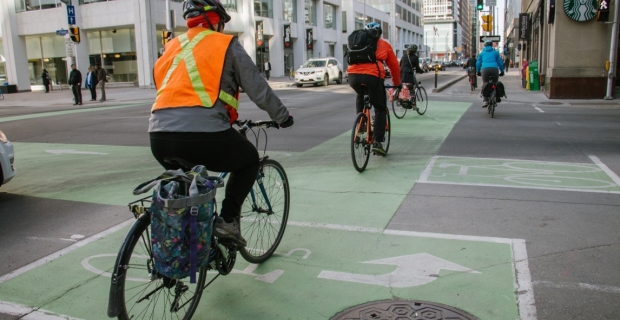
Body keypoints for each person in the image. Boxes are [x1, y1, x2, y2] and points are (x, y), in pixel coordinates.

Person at [149, 0, 293, 247]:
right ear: (215, 21)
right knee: (248, 160)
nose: (223, 29)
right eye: (222, 24)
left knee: (188, 184)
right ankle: (227, 221)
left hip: (158, 136)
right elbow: (257, 86)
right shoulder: (225, 44)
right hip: (205, 134)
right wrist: (282, 117)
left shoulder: (171, 46)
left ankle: (182, 244)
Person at [347, 22, 401, 156]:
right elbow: (394, 67)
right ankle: (378, 142)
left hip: (353, 76)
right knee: (380, 108)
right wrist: (397, 83)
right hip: (373, 77)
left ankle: (361, 123)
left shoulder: (357, 41)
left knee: (361, 94)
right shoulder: (384, 45)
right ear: (379, 34)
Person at [476, 40, 504, 108]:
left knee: (485, 84)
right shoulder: (495, 53)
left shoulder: (482, 53)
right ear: (491, 45)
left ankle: (485, 100)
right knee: (495, 83)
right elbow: (500, 63)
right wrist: (502, 71)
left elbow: (478, 63)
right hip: (494, 69)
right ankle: (497, 97)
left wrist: (478, 71)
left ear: (485, 46)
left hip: (485, 69)